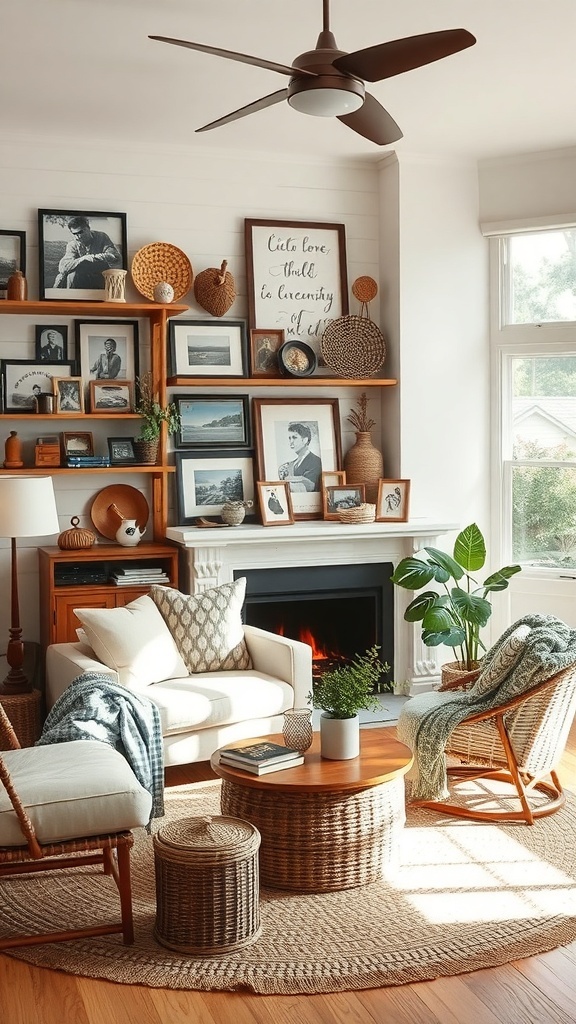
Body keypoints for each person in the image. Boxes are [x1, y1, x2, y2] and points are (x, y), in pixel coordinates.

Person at [54, 215, 121, 290]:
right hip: (80, 278)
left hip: (99, 275)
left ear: (88, 228)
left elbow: (115, 256)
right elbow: (63, 267)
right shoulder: (72, 245)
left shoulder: (102, 237)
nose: (78, 237)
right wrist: (82, 259)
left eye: (81, 232)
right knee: (71, 275)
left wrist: (92, 257)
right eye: (74, 234)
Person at [278, 422, 322, 492]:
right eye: (289, 438)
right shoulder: (292, 464)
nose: (291, 441)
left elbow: (309, 487)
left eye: (294, 437)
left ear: (305, 440)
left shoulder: (316, 461)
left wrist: (283, 482)